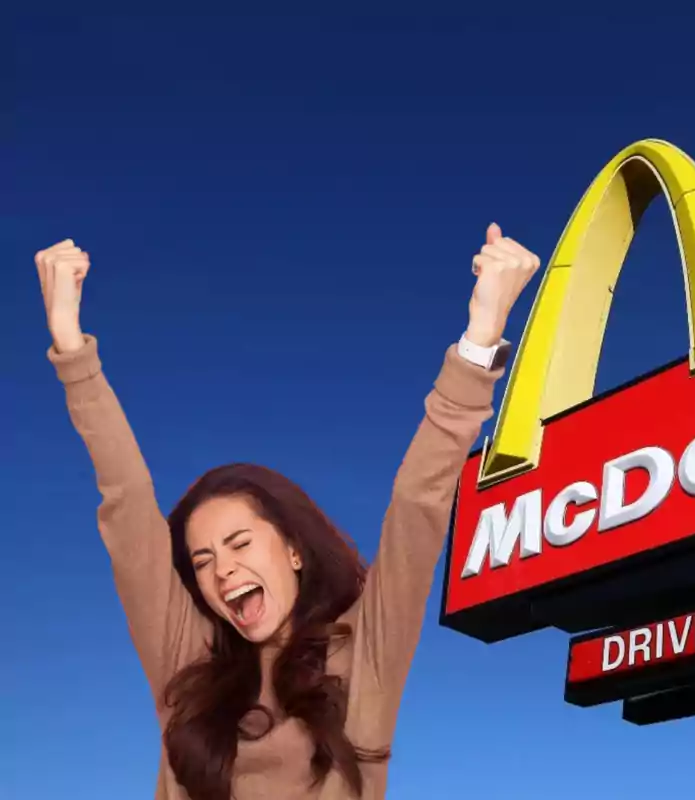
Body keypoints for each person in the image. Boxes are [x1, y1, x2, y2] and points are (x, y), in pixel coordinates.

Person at [35, 226, 540, 800]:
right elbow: (126, 501)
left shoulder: (363, 655)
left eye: (240, 543)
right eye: (202, 560)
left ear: (294, 551)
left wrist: (482, 332)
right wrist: (72, 348)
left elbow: (417, 503)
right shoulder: (186, 664)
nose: (221, 569)